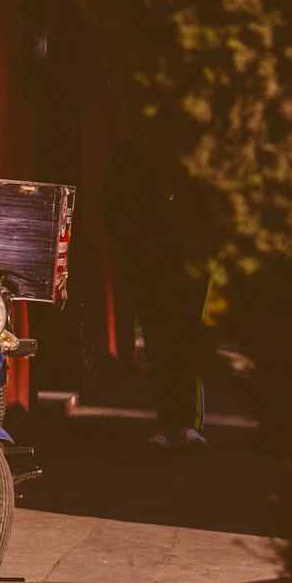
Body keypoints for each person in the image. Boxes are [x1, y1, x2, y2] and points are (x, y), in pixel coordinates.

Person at [101, 137, 210, 450]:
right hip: (147, 265)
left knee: (186, 336)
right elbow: (111, 202)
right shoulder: (133, 150)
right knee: (159, 339)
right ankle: (166, 422)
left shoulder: (197, 148)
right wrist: (134, 244)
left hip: (190, 263)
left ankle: (188, 424)